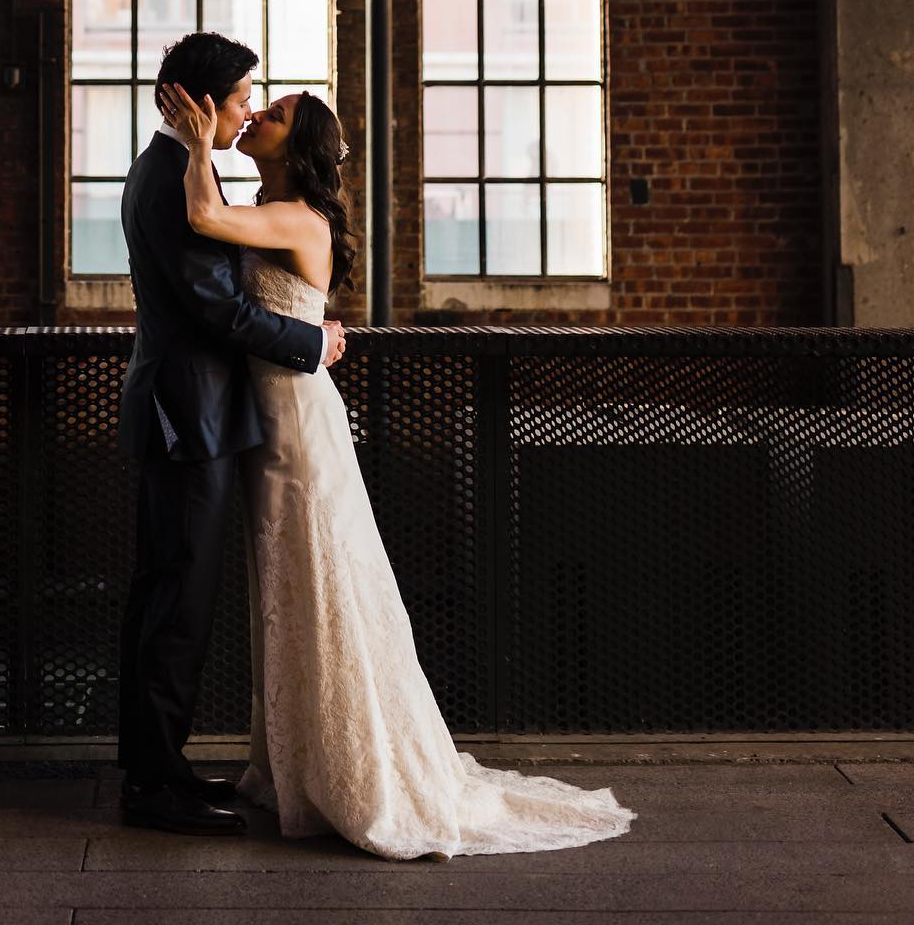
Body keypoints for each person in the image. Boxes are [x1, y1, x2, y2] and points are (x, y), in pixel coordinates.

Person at [155, 77, 639, 862]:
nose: (257, 116)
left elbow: (205, 217)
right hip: (271, 422)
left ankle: (356, 771)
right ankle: (297, 763)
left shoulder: (295, 217)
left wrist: (192, 133)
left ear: (297, 145)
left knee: (321, 579)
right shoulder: (276, 212)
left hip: (297, 429)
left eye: (271, 116)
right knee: (287, 587)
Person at [116, 31, 347, 837]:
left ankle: (157, 769)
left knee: (168, 598)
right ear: (203, 101)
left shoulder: (176, 172)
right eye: (245, 98)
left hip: (207, 414)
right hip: (193, 417)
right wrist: (312, 342)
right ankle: (154, 785)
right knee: (177, 605)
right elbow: (219, 310)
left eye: (261, 105)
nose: (249, 112)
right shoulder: (177, 177)